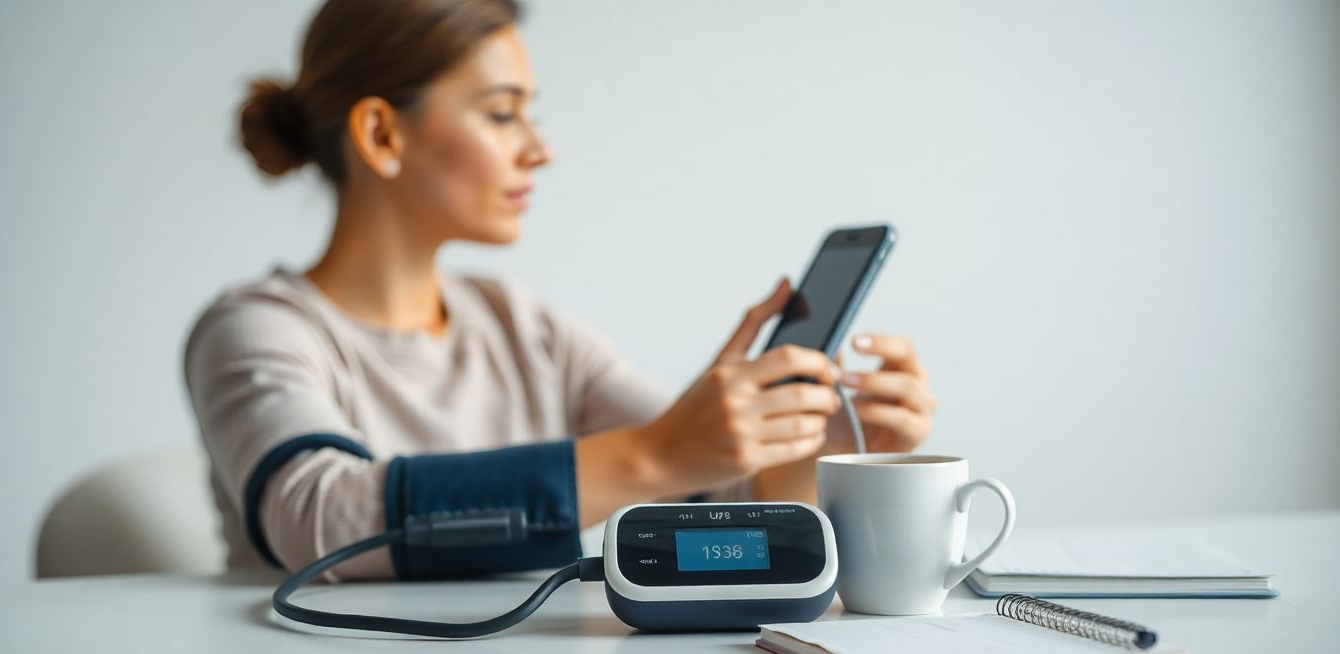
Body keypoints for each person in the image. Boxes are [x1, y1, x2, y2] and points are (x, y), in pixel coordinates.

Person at [184, 0, 937, 582]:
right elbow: (317, 515)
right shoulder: (255, 329)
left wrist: (814, 442)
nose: (538, 150)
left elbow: (705, 496)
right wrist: (655, 456)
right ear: (383, 135)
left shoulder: (525, 327)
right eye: (503, 114)